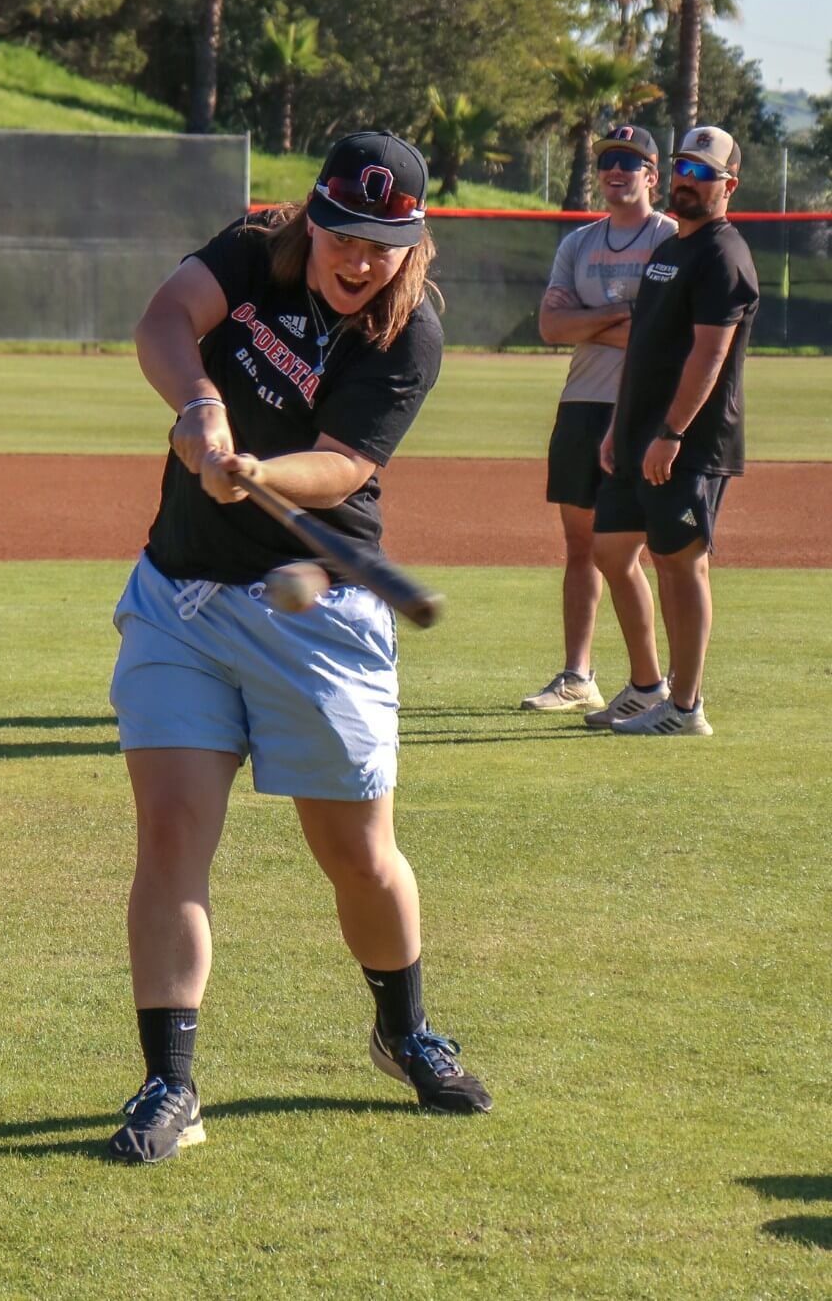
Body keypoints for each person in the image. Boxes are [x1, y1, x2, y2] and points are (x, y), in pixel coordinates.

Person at [106, 129, 492, 1165]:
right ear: (314, 218)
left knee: (356, 858)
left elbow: (341, 470)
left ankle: (403, 1028)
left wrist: (259, 470)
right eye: (349, 236)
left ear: (413, 246)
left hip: (317, 612)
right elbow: (163, 320)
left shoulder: (408, 339)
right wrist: (198, 405)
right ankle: (170, 1084)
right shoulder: (251, 247)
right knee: (173, 835)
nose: (363, 261)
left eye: (387, 244)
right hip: (178, 597)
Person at [590, 125, 759, 737]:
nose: (689, 181)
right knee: (609, 549)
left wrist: (671, 432)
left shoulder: (723, 253)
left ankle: (686, 708)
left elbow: (708, 357)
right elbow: (644, 347)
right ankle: (645, 687)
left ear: (728, 186)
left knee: (680, 565)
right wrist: (618, 426)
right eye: (684, 168)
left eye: (704, 173)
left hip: (685, 442)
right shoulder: (670, 250)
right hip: (637, 434)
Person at [521, 126, 677, 715]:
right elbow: (551, 328)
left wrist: (588, 317)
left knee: (654, 550)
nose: (616, 170)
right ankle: (577, 674)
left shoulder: (670, 238)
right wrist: (622, 314)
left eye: (630, 163)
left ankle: (663, 683)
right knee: (580, 544)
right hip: (581, 405)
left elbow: (665, 331)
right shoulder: (579, 244)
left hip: (645, 411)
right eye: (608, 160)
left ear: (651, 176)